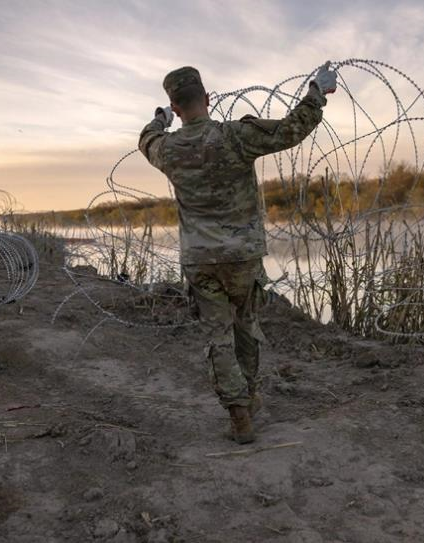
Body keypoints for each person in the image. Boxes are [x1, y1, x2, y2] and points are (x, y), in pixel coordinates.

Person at [139, 62, 338, 443]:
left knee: (218, 336)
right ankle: (248, 393)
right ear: (208, 98)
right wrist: (317, 93)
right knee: (246, 326)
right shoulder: (235, 136)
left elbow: (146, 139)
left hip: (200, 261)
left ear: (176, 106)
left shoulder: (167, 149)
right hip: (243, 256)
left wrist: (160, 120)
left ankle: (239, 414)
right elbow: (291, 129)